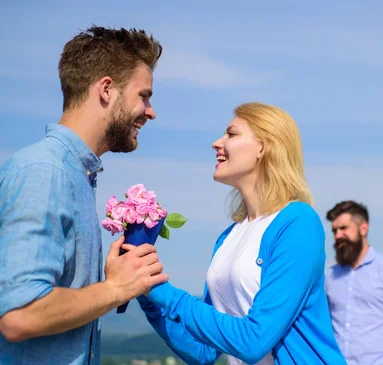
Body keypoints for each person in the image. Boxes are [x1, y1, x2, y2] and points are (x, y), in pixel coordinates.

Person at [0, 26, 168, 365]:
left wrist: (109, 281)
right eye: (144, 96)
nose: (150, 111)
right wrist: (116, 288)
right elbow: (20, 314)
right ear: (107, 89)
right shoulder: (45, 173)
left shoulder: (75, 176)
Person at [137, 102, 347, 365]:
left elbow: (253, 340)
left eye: (231, 134)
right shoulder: (227, 238)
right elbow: (203, 351)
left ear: (264, 146)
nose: (216, 143)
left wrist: (162, 291)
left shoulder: (298, 223)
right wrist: (147, 295)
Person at [324, 201, 383, 364]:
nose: (338, 235)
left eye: (344, 228)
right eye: (334, 230)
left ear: (363, 228)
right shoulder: (329, 277)